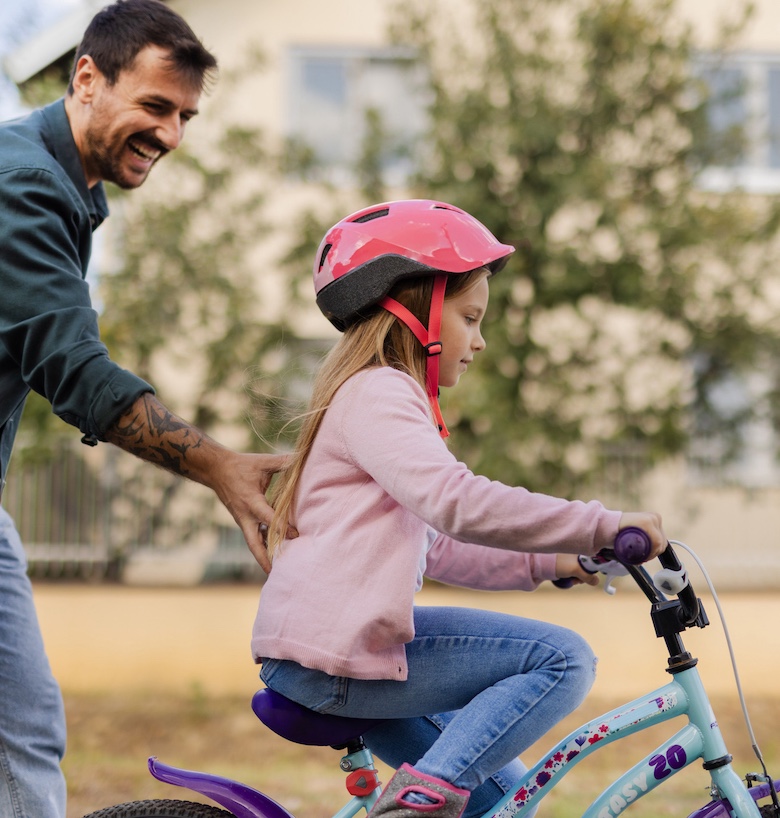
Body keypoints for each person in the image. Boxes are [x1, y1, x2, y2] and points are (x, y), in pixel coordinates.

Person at [251, 199, 667, 818]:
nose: (480, 339)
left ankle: (430, 795)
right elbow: (455, 503)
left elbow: (437, 545)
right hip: (336, 661)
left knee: (502, 801)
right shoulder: (380, 391)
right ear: (414, 310)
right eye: (470, 317)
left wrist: (557, 561)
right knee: (562, 658)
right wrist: (604, 522)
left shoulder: (380, 399)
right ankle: (417, 803)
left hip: (337, 662)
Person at [0, 2, 286, 816]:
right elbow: (76, 375)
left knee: (24, 731)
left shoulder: (55, 184)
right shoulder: (23, 186)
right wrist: (221, 468)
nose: (171, 135)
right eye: (156, 107)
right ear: (87, 78)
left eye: (186, 116)